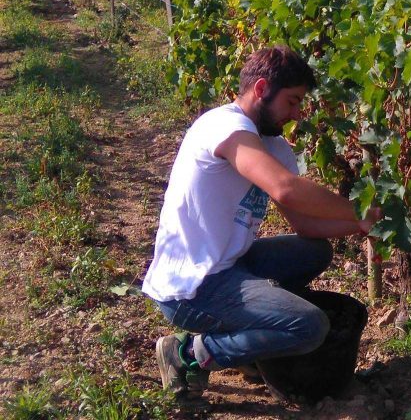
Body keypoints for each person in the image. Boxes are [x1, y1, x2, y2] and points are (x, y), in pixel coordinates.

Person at [142, 45, 379, 402]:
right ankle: (190, 353)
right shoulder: (224, 126)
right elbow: (286, 190)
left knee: (313, 252)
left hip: (230, 265)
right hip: (194, 287)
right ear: (261, 89)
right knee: (310, 326)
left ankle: (253, 338)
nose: (297, 114)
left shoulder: (275, 146)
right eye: (292, 101)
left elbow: (306, 226)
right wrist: (357, 210)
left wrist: (360, 228)